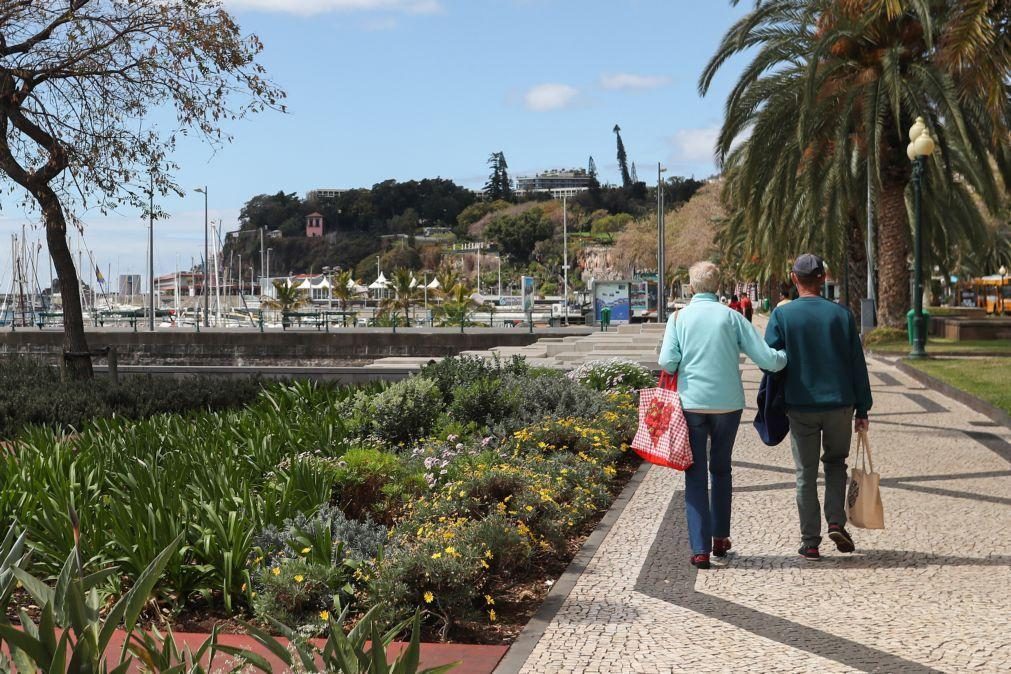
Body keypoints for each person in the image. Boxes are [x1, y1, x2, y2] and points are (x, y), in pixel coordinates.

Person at [659, 261, 787, 570]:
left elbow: (667, 361)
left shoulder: (678, 318)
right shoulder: (732, 318)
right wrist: (786, 357)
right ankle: (720, 538)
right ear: (717, 286)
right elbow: (767, 358)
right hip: (728, 405)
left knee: (695, 473)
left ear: (691, 287)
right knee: (721, 469)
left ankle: (700, 549)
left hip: (691, 405)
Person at [764, 254, 873, 561]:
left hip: (801, 404)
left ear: (793, 278)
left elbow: (772, 360)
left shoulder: (782, 316)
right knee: (836, 463)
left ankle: (810, 541)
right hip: (840, 404)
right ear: (823, 278)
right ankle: (836, 521)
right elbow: (856, 363)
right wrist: (863, 409)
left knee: (805, 473)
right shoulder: (841, 315)